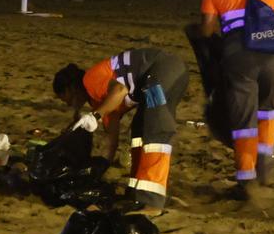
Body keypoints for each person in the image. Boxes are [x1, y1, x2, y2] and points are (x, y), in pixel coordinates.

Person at [196, 0, 274, 199]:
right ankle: (266, 171)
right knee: (268, 114)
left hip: (241, 56)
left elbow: (206, 30)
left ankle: (247, 183)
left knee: (244, 122)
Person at [51, 47, 189, 214]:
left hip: (164, 69)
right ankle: (138, 194)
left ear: (70, 89)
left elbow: (120, 90)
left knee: (155, 129)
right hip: (160, 75)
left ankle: (153, 202)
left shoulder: (91, 80)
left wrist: (96, 116)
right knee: (140, 131)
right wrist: (99, 169)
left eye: (65, 98)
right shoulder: (101, 102)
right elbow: (111, 139)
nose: (68, 104)